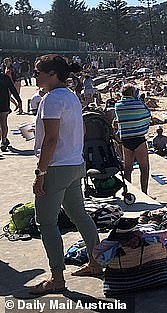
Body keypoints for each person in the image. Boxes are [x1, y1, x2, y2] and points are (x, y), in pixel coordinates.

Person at [30, 54, 102, 295]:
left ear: (52, 74)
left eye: (38, 71)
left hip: (56, 167)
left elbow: (50, 140)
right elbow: (71, 131)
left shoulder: (51, 100)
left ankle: (57, 278)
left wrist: (40, 173)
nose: (35, 75)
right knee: (79, 214)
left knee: (46, 222)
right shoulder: (71, 96)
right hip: (74, 164)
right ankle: (96, 262)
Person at [113, 84, 151, 194]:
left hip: (126, 139)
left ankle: (128, 192)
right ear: (133, 93)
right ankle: (144, 192)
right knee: (144, 168)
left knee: (128, 169)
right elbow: (147, 115)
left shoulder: (118, 106)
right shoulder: (139, 104)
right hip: (139, 138)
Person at [0, 72, 21, 152]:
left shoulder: (5, 77)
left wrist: (18, 101)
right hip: (4, 103)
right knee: (3, 123)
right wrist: (19, 101)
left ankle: (4, 140)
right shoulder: (5, 78)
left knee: (3, 123)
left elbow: (12, 89)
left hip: (4, 104)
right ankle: (4, 140)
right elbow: (12, 89)